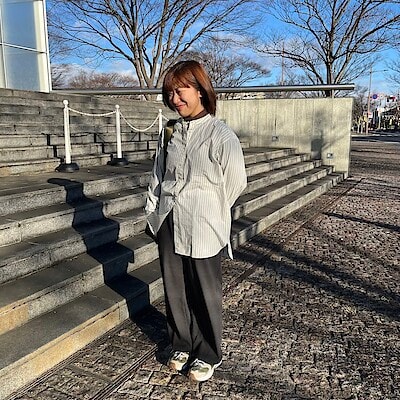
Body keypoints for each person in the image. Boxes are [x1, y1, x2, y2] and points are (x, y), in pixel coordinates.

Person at [145, 60, 247, 382]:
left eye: (181, 90)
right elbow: (158, 175)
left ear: (200, 90)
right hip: (169, 217)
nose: (175, 99)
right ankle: (181, 343)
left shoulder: (221, 135)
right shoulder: (170, 133)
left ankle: (208, 352)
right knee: (175, 286)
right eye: (170, 93)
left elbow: (236, 182)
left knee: (205, 290)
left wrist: (209, 209)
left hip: (204, 223)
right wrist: (153, 214)